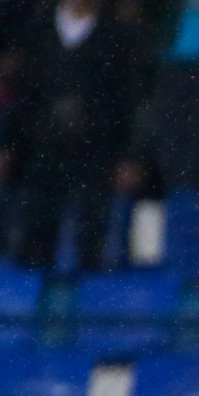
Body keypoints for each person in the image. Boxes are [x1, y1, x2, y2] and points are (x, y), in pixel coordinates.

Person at [1, 0, 139, 272]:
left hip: (95, 150)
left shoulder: (117, 38)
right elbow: (21, 97)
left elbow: (126, 103)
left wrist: (130, 155)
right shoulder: (37, 31)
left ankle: (90, 304)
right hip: (40, 149)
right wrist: (6, 144)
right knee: (35, 235)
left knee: (92, 235)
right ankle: (35, 304)